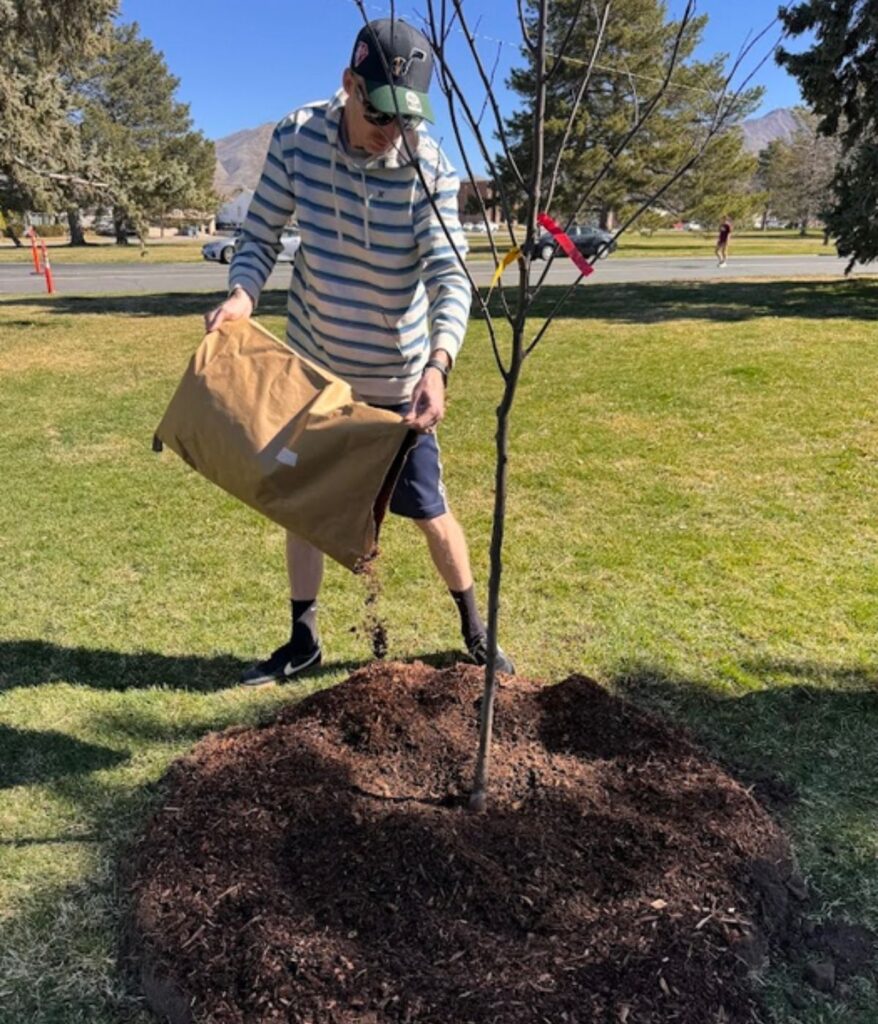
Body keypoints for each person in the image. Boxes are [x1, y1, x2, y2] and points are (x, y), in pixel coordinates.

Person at [204, 18, 514, 686]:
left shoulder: (428, 166)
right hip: (314, 372)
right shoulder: (295, 141)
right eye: (379, 113)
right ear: (348, 84)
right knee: (305, 506)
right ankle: (304, 639)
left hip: (400, 383)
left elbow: (449, 276)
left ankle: (474, 631)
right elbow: (258, 237)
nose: (390, 132)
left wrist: (438, 364)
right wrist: (242, 297)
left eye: (406, 119)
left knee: (430, 512)